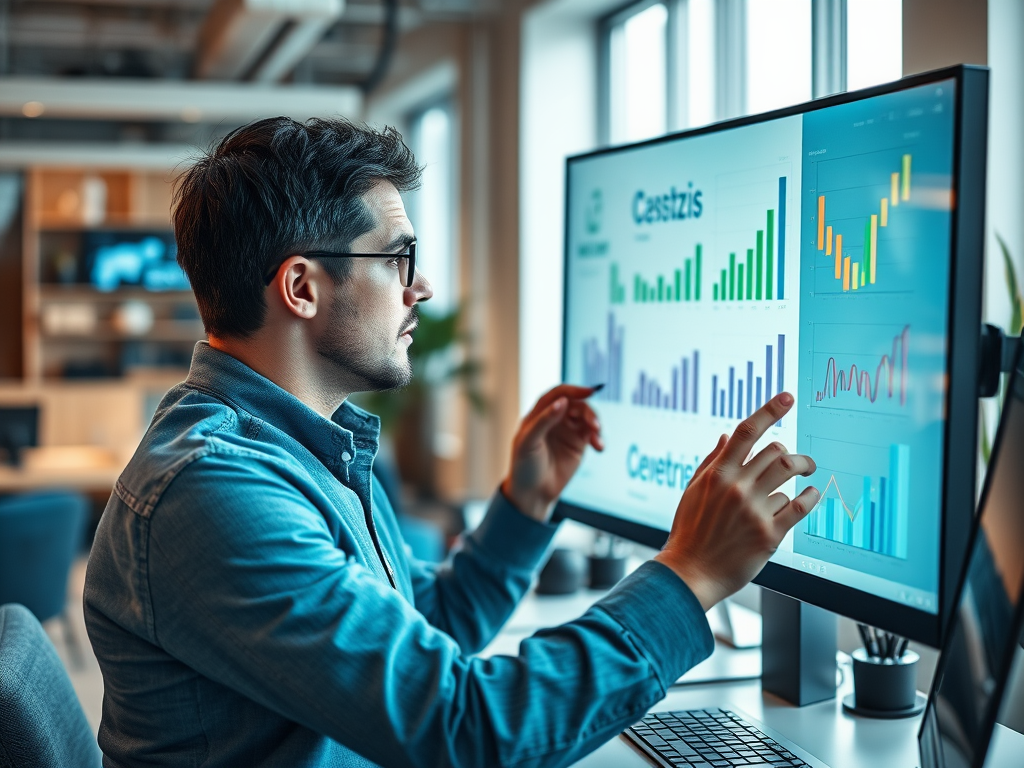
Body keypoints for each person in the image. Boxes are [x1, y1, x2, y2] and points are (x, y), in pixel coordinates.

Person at [84, 117, 819, 768]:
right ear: (301, 288)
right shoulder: (214, 492)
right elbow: (465, 730)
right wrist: (690, 576)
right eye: (397, 258)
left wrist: (523, 507)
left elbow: (419, 635)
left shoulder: (303, 445)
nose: (421, 287)